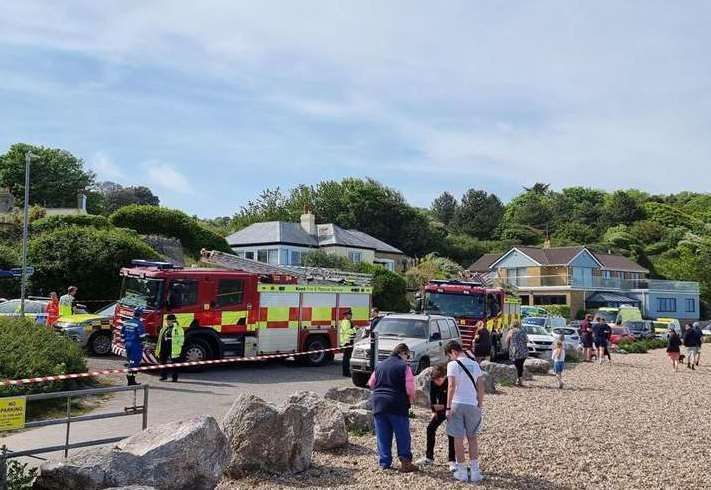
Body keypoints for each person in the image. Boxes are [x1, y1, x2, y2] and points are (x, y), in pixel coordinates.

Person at [368, 343, 418, 473]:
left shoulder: (380, 365)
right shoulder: (404, 367)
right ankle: (405, 462)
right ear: (402, 353)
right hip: (397, 403)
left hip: (379, 403)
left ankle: (384, 463)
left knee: (382, 434)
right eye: (407, 355)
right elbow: (410, 388)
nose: (408, 358)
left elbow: (371, 383)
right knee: (402, 434)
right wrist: (412, 399)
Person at [444, 340, 485, 483]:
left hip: (456, 404)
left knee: (458, 438)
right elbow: (481, 386)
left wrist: (447, 407)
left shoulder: (452, 365)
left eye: (450, 355)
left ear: (453, 352)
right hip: (472, 404)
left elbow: (451, 386)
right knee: (472, 438)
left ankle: (461, 471)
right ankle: (475, 471)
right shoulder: (474, 364)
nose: (450, 358)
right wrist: (480, 404)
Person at [415, 364, 456, 470]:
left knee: (451, 433)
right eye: (435, 380)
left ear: (444, 376)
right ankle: (429, 457)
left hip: (452, 408)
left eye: (439, 379)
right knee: (430, 429)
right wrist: (434, 411)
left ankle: (452, 460)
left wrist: (448, 409)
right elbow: (433, 398)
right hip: (441, 408)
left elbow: (453, 398)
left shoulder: (449, 382)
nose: (437, 382)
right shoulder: (433, 383)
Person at [121, 307, 147, 386]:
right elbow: (142, 336)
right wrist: (144, 343)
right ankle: (131, 380)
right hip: (135, 345)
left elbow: (122, 334)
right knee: (135, 362)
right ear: (141, 315)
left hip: (127, 344)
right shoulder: (139, 324)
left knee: (130, 361)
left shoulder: (126, 322)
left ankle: (131, 380)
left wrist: (125, 340)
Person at [156, 314, 185, 382]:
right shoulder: (165, 328)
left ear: (173, 320)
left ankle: (174, 378)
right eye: (167, 320)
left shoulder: (178, 329)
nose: (167, 321)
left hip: (173, 348)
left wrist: (178, 347)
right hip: (164, 347)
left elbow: (181, 340)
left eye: (168, 320)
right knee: (163, 362)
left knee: (174, 363)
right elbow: (160, 338)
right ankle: (163, 376)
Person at [505, 322, 528, 386]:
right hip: (523, 350)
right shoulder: (523, 331)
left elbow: (506, 340)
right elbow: (527, 340)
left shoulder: (511, 331)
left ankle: (517, 379)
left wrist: (508, 346)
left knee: (515, 365)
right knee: (521, 365)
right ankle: (520, 379)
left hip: (514, 350)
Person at [340, 309, 356, 377]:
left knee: (347, 358)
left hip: (348, 341)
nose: (351, 316)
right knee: (346, 358)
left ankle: (346, 372)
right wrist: (355, 329)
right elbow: (347, 331)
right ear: (347, 315)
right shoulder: (346, 322)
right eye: (350, 315)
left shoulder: (348, 321)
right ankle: (346, 372)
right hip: (347, 342)